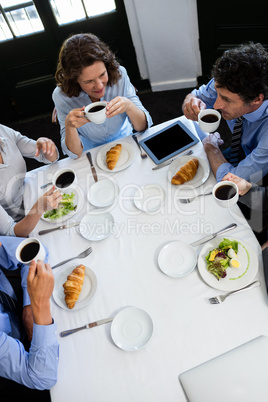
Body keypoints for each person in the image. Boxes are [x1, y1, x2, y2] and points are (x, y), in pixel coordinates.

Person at [52, 33, 153, 158]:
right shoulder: (61, 96)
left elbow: (143, 127)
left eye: (102, 74)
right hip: (92, 153)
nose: (99, 86)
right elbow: (74, 153)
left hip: (127, 142)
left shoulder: (120, 74)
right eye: (89, 81)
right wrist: (69, 126)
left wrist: (129, 105)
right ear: (74, 80)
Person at [182, 42, 268, 183]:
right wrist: (190, 102)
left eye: (227, 100)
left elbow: (230, 182)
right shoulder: (226, 83)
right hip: (240, 150)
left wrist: (211, 148)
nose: (215, 106)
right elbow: (194, 96)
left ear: (257, 99)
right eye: (218, 93)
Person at [0, 236, 59, 401]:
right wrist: (40, 305)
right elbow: (42, 378)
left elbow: (37, 250)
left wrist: (28, 306)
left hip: (19, 312)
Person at [0, 124, 62, 237]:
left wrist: (47, 147)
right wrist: (39, 208)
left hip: (34, 195)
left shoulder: (2, 131)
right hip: (24, 224)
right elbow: (11, 232)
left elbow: (47, 157)